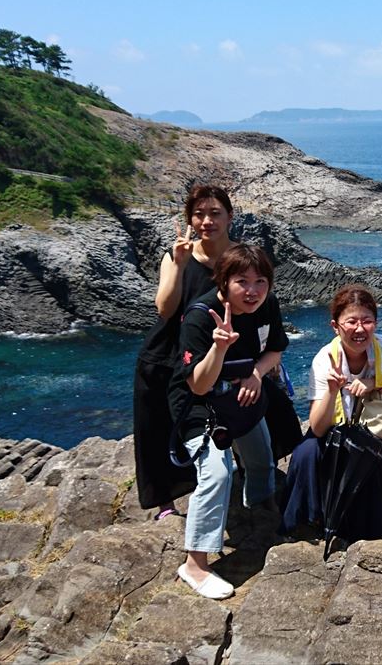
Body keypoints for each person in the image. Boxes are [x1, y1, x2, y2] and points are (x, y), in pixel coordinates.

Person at [169, 244, 289, 599]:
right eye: (242, 282)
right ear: (223, 281)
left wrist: (256, 374)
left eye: (260, 281)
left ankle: (259, 511)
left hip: (243, 398)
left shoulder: (266, 304)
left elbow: (275, 349)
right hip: (200, 407)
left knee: (261, 457)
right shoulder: (200, 317)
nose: (252, 290)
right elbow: (197, 384)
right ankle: (195, 564)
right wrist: (219, 347)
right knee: (217, 473)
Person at [132, 185, 238, 519]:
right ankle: (164, 503)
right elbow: (164, 310)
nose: (207, 221)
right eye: (198, 214)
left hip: (215, 353)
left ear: (230, 216)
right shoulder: (177, 255)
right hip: (166, 353)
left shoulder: (239, 258)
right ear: (189, 219)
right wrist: (178, 265)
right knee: (156, 426)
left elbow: (257, 301)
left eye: (215, 213)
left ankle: (241, 484)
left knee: (220, 420)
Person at [279, 284, 382, 540]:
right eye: (351, 322)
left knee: (378, 461)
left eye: (367, 321)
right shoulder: (324, 359)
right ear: (335, 326)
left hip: (374, 429)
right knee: (305, 454)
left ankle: (368, 532)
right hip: (334, 431)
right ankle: (305, 521)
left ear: (376, 323)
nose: (360, 329)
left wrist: (375, 384)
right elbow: (318, 428)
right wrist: (331, 391)